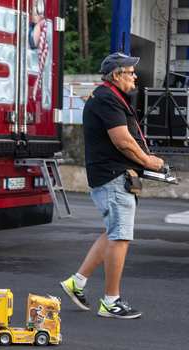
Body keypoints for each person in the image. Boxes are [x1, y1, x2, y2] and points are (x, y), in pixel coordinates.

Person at [60, 52, 164, 319]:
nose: (135, 76)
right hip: (113, 176)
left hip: (114, 175)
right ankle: (110, 302)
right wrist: (148, 161)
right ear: (116, 75)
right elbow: (122, 141)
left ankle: (77, 282)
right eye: (130, 72)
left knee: (113, 232)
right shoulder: (107, 98)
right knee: (120, 237)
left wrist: (143, 163)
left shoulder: (108, 96)